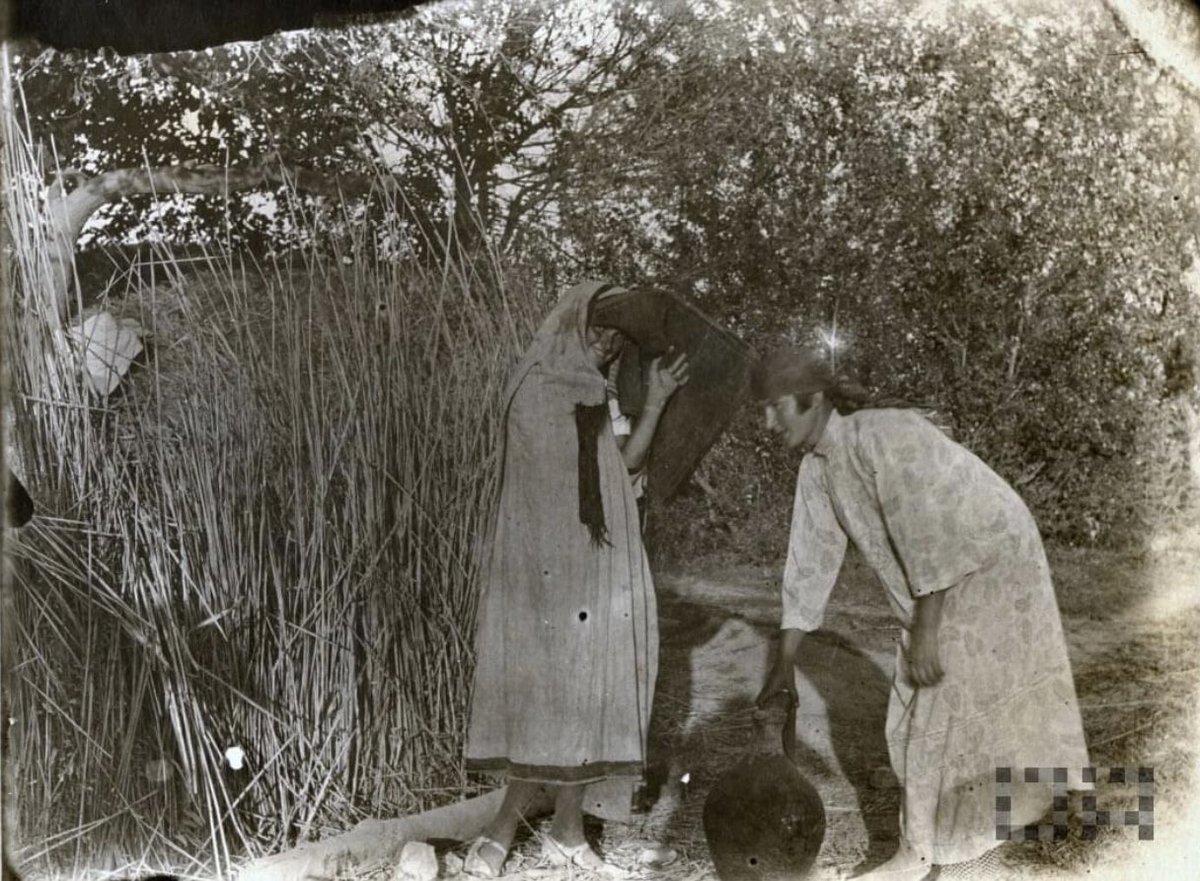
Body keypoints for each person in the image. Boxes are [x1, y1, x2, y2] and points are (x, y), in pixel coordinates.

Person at [752, 347, 1090, 880]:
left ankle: (918, 854)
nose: (767, 423)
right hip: (944, 575)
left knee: (932, 693)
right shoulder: (816, 467)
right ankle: (992, 820)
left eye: (775, 408)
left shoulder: (881, 433)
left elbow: (928, 526)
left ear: (812, 400)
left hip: (989, 557)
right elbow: (808, 566)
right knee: (929, 702)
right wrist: (783, 667)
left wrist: (928, 627)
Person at [463, 280, 688, 877]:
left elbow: (625, 464)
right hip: (542, 562)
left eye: (617, 339)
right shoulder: (535, 388)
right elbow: (545, 485)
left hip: (599, 559)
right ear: (570, 325)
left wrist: (658, 400)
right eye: (598, 331)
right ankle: (501, 831)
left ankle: (566, 831)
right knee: (549, 690)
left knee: (588, 684)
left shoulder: (597, 394)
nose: (607, 345)